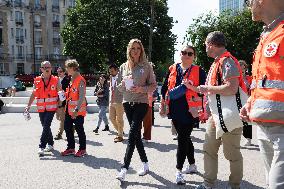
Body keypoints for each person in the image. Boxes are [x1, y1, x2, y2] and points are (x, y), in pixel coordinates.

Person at [192, 31, 246, 189]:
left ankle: (234, 185)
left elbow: (232, 88)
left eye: (205, 46)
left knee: (232, 154)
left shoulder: (226, 61)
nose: (205, 49)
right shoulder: (218, 62)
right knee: (209, 150)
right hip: (216, 116)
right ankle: (208, 184)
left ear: (211, 44)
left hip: (229, 116)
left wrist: (207, 88)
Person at [240, 1, 284, 188]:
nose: (249, 5)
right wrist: (251, 101)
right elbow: (267, 79)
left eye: (249, 1)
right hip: (265, 127)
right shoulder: (268, 34)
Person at [161, 45, 206, 185]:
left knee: (182, 139)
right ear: (179, 54)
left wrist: (192, 88)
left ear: (194, 56)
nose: (186, 55)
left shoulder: (199, 71)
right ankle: (192, 165)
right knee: (185, 137)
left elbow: (204, 91)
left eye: (190, 53)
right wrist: (164, 102)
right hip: (174, 110)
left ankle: (178, 171)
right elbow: (164, 88)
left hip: (190, 111)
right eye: (183, 52)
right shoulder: (173, 68)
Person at [116, 39, 157, 182]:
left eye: (138, 48)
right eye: (133, 48)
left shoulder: (146, 66)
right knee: (136, 136)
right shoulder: (123, 67)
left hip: (141, 103)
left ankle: (124, 168)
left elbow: (153, 86)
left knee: (132, 133)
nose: (135, 50)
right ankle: (145, 164)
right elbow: (119, 88)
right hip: (127, 103)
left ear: (141, 50)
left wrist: (141, 89)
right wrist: (123, 83)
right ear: (129, 50)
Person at [25, 61, 62, 156]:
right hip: (41, 108)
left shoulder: (56, 79)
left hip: (52, 107)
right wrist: (28, 106)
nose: (47, 69)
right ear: (41, 69)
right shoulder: (37, 80)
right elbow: (33, 94)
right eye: (45, 67)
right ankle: (51, 144)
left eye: (48, 67)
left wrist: (60, 107)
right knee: (45, 126)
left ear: (51, 68)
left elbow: (61, 94)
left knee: (46, 125)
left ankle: (41, 146)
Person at [60, 59, 87, 157]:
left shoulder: (80, 79)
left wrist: (76, 110)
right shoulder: (71, 79)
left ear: (72, 68)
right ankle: (71, 148)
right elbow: (71, 95)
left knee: (79, 129)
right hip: (69, 110)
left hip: (77, 111)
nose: (66, 70)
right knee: (67, 128)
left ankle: (82, 149)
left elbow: (81, 97)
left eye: (67, 68)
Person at [108, 64, 124, 143]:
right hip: (111, 101)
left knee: (119, 119)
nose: (111, 73)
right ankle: (120, 131)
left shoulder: (121, 77)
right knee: (111, 118)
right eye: (110, 71)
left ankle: (120, 135)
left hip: (120, 101)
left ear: (117, 70)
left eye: (112, 71)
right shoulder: (111, 77)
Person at [239, 60, 253, 146]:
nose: (242, 70)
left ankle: (248, 139)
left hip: (247, 100)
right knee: (236, 120)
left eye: (243, 68)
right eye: (240, 68)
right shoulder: (235, 78)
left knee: (247, 120)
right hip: (237, 100)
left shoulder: (250, 78)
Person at [54, 67, 70, 140]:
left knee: (62, 119)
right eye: (58, 71)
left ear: (64, 72)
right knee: (58, 117)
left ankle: (59, 133)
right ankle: (72, 127)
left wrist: (62, 103)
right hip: (56, 101)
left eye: (60, 71)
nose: (59, 73)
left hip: (64, 102)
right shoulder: (56, 80)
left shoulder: (67, 80)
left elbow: (66, 93)